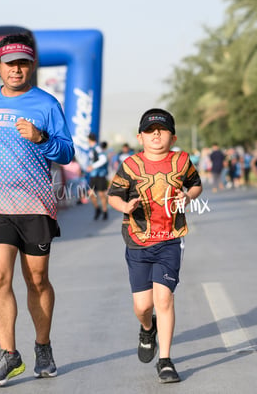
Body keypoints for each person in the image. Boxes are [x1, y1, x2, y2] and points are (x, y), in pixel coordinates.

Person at [0, 33, 74, 387]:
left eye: (23, 63)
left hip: (35, 204)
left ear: (32, 66)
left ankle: (42, 347)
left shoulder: (46, 103)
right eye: (10, 63)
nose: (16, 69)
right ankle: (8, 354)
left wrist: (41, 137)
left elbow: (66, 153)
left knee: (37, 279)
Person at [107, 108, 202, 384]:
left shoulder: (182, 161)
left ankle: (166, 360)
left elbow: (196, 185)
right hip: (138, 243)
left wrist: (188, 195)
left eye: (162, 130)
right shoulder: (131, 165)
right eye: (150, 131)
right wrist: (124, 205)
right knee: (143, 306)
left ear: (172, 137)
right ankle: (147, 329)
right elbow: (114, 195)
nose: (156, 134)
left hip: (170, 240)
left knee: (164, 299)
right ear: (140, 137)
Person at [86, 132, 109, 220]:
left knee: (101, 194)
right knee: (90, 193)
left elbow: (103, 159)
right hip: (93, 175)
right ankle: (97, 209)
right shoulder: (91, 148)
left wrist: (93, 166)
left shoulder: (97, 148)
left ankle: (105, 211)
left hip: (100, 174)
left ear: (89, 139)